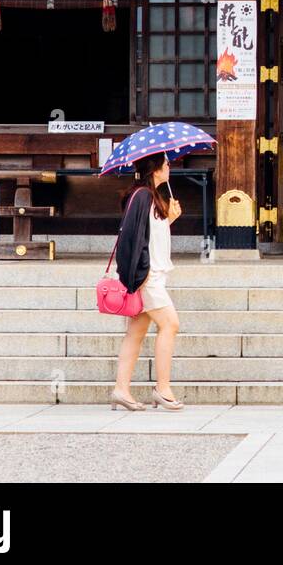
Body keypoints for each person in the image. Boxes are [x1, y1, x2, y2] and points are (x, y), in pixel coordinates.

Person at [109, 152, 184, 411]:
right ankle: (162, 389)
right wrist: (140, 276)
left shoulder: (151, 197)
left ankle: (121, 389)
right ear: (156, 169)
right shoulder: (142, 196)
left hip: (153, 276)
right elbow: (133, 239)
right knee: (170, 324)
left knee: (136, 332)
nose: (169, 167)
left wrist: (170, 218)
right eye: (167, 164)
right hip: (148, 277)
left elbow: (152, 236)